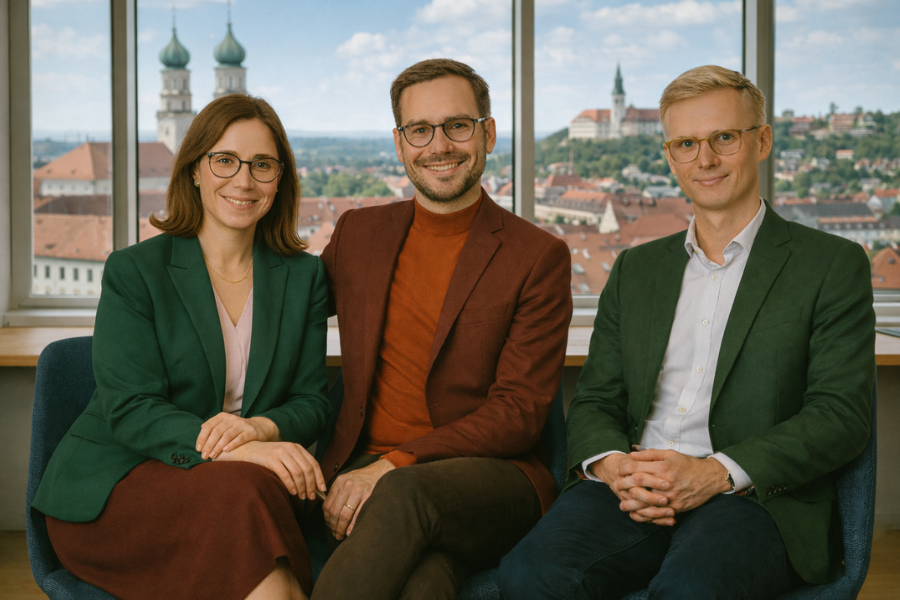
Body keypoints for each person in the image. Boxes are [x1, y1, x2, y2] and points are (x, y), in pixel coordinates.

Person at [497, 65, 875, 599]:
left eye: (724, 138)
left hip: (753, 500)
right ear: (670, 156)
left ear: (762, 141)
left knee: (691, 590)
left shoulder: (831, 264)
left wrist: (714, 473)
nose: (706, 159)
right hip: (631, 487)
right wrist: (614, 466)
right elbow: (597, 399)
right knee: (529, 575)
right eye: (686, 144)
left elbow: (840, 416)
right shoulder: (635, 269)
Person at [31, 94, 330, 600]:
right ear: (194, 169)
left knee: (248, 497)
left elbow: (312, 402)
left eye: (262, 164)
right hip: (121, 488)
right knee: (248, 492)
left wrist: (258, 429)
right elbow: (131, 408)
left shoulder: (304, 277)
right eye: (225, 160)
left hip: (240, 494)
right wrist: (244, 451)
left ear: (280, 179)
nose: (244, 180)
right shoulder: (136, 270)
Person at [311, 58, 572, 599]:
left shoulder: (537, 256)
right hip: (368, 467)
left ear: (488, 134)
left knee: (402, 495)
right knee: (425, 580)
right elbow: (285, 308)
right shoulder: (359, 233)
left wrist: (394, 465)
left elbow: (519, 413)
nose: (439, 145)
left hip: (491, 477)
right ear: (400, 143)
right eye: (420, 130)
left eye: (457, 126)